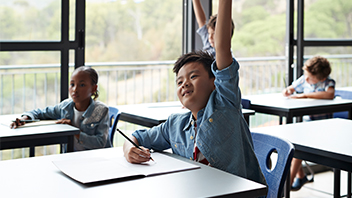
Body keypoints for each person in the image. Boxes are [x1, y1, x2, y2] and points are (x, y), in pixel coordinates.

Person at [123, 0, 266, 186]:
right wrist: (128, 150)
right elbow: (137, 136)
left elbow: (222, 48)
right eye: (179, 82)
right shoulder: (175, 124)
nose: (185, 84)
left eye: (193, 77)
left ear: (214, 82)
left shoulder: (225, 105)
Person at [11, 66, 111, 151]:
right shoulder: (66, 106)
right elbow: (40, 113)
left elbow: (100, 143)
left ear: (94, 89)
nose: (75, 89)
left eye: (82, 85)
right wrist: (25, 118)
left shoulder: (101, 111)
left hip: (94, 160)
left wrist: (74, 131)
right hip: (70, 158)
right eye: (72, 84)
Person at [282, 56, 335, 191]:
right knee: (289, 142)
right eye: (306, 75)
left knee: (298, 147)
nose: (306, 79)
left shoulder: (327, 83)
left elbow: (329, 94)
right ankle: (300, 176)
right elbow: (290, 89)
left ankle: (286, 186)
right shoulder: (304, 79)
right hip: (305, 125)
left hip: (322, 128)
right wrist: (288, 91)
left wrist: (304, 95)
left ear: (321, 79)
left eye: (310, 77)